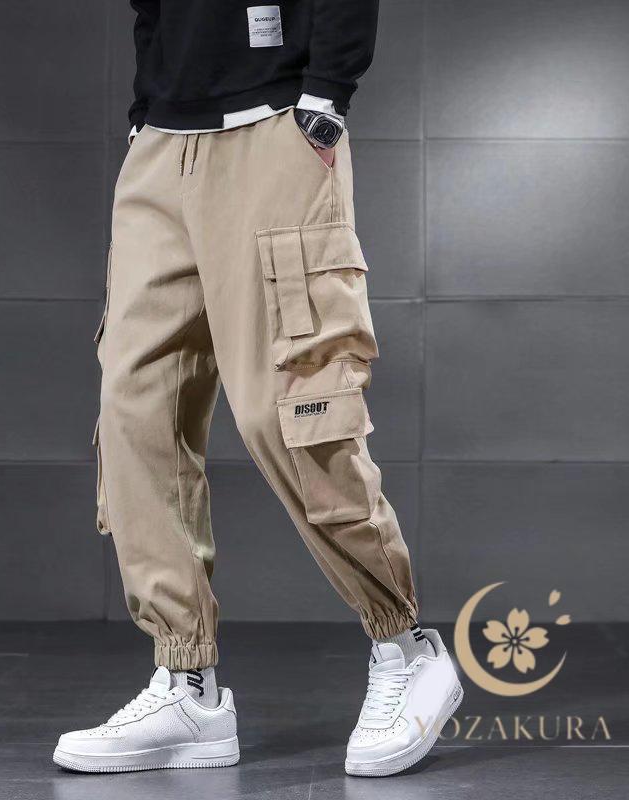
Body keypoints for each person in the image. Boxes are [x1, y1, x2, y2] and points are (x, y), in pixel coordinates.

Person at [54, 0, 462, 777]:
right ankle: (188, 685)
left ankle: (404, 647)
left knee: (294, 410)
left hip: (275, 126)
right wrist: (146, 109)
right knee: (136, 414)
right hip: (161, 144)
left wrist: (327, 91)